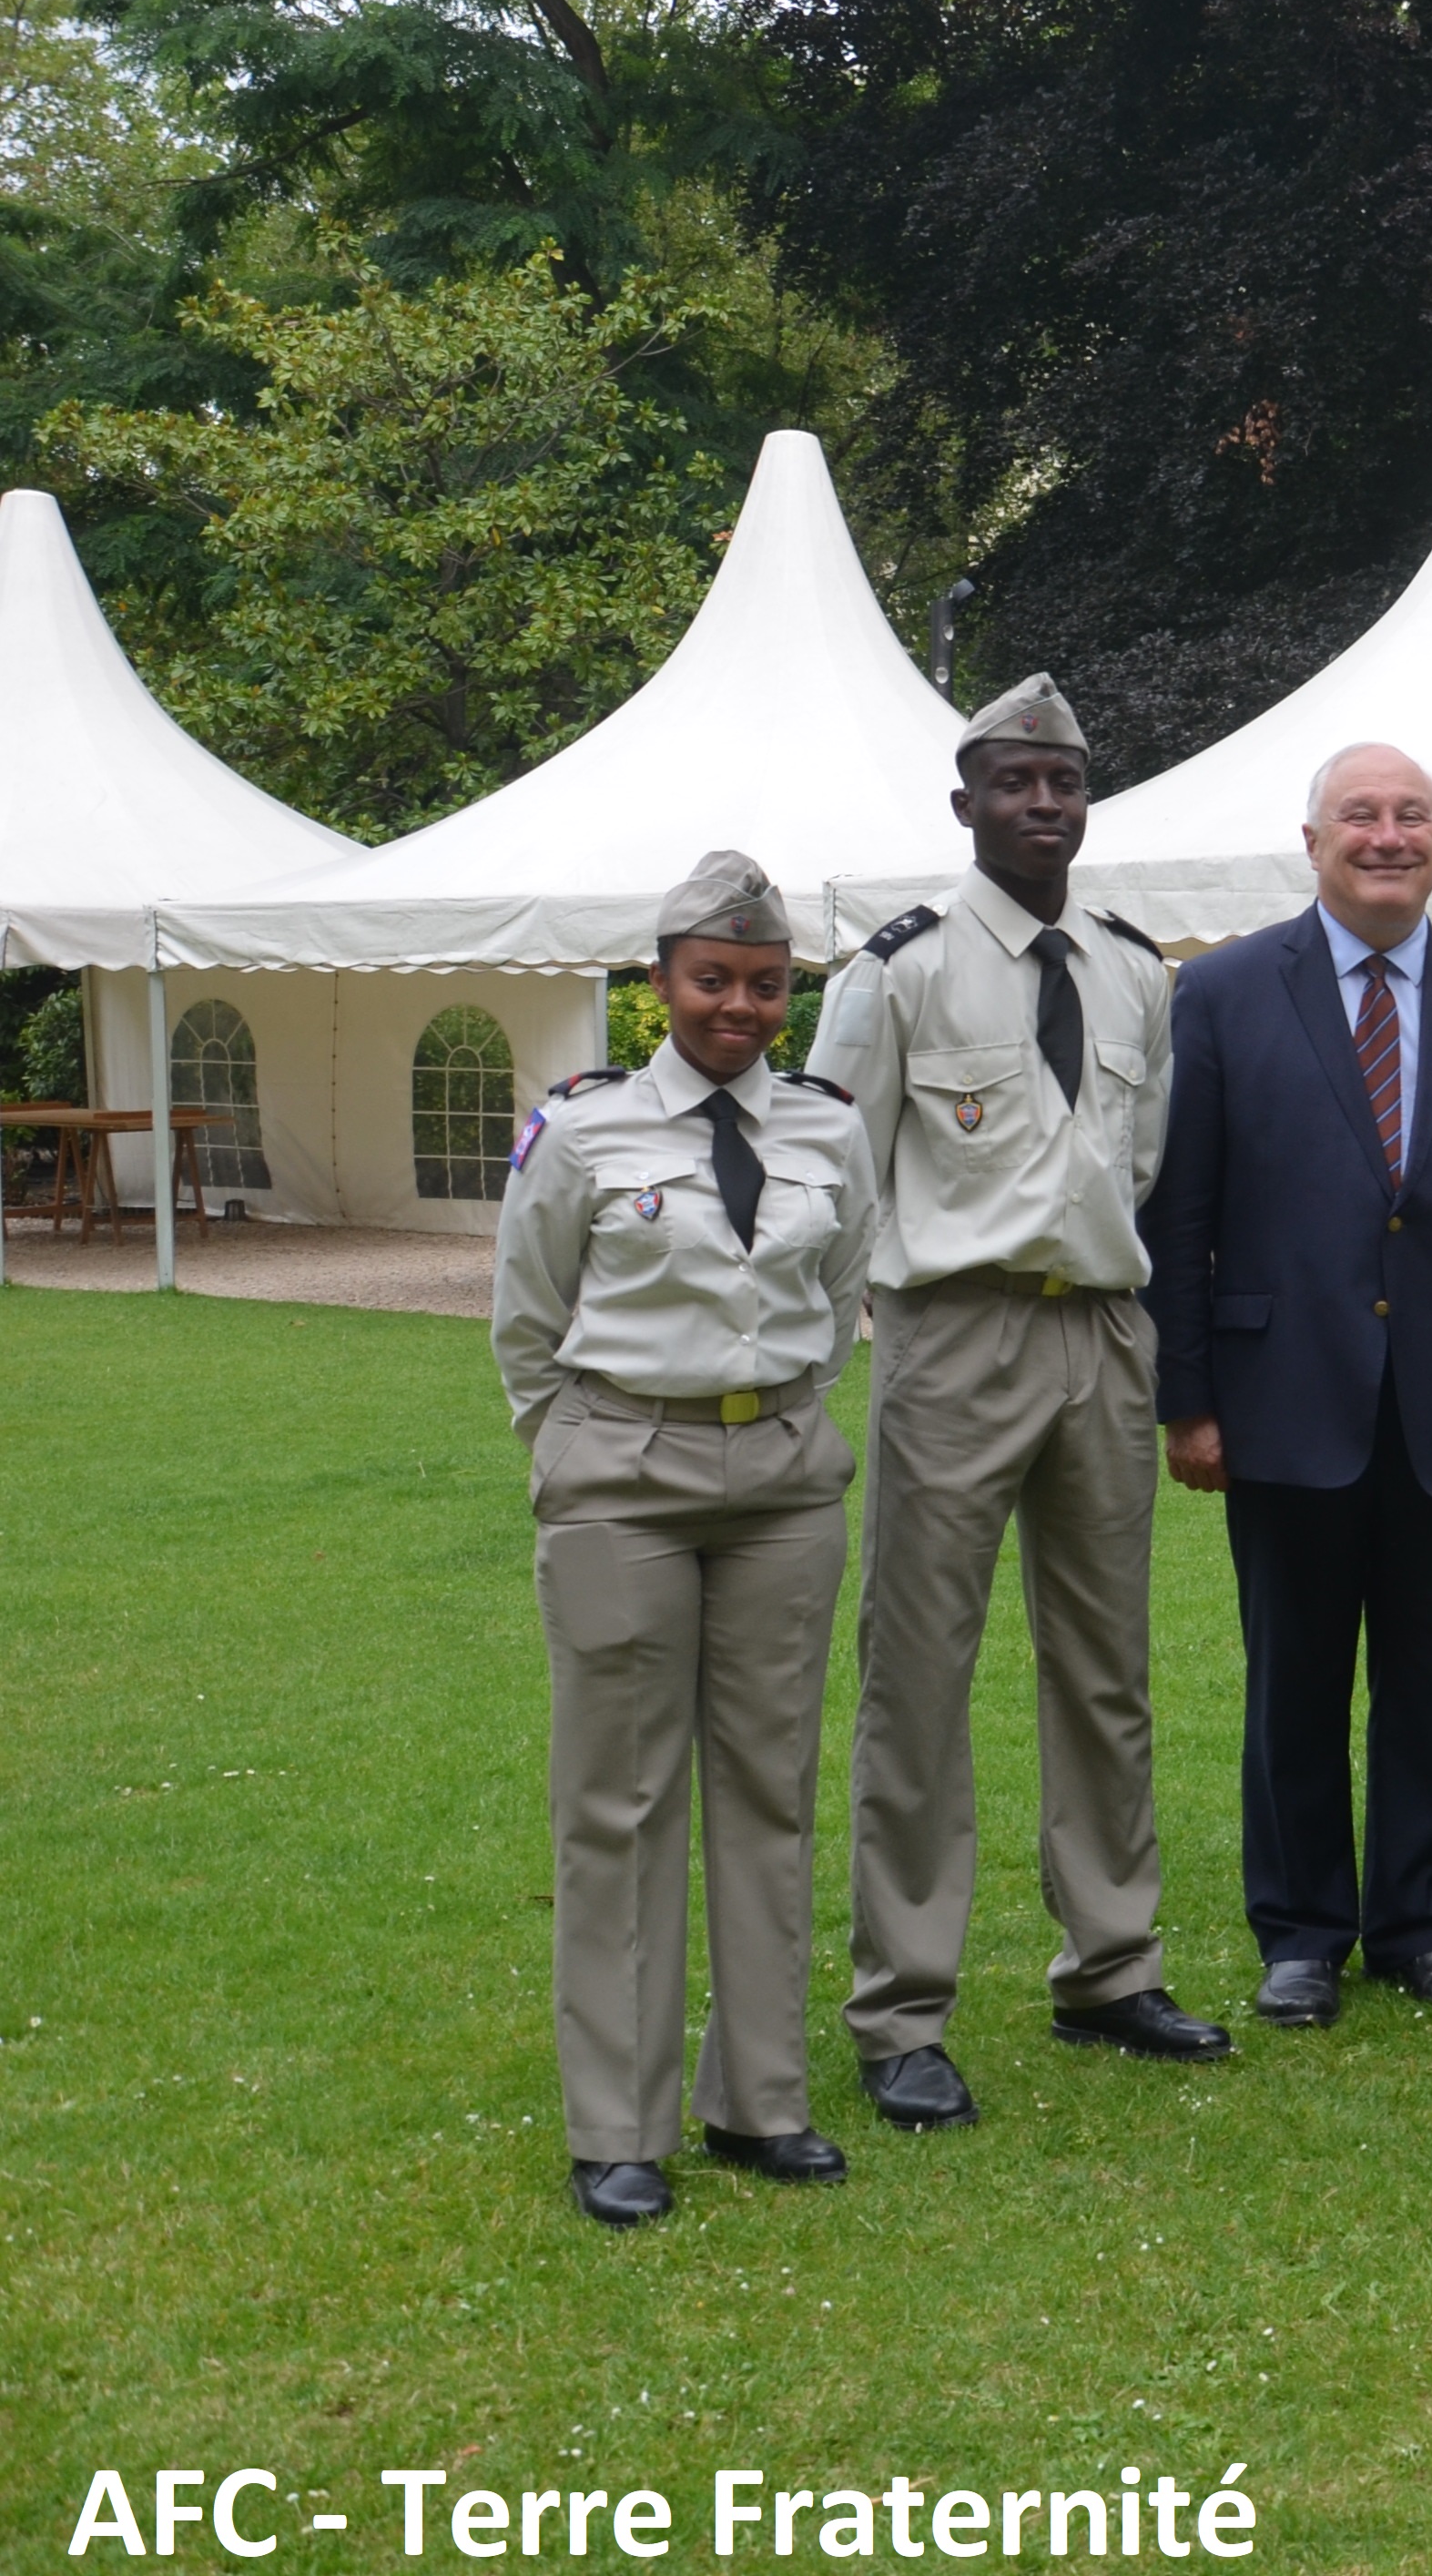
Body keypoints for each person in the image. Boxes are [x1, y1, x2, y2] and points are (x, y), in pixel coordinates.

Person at [807, 674, 1223, 2129]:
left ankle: (1111, 1965)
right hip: (956, 1342)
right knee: (920, 1673)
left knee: (1104, 1669)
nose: (1044, 802)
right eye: (1015, 781)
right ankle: (902, 2009)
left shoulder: (1131, 968)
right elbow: (830, 1173)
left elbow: (1145, 1155)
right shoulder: (898, 971)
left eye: (1065, 780)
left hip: (1102, 1336)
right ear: (965, 802)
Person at [1143, 743, 1432, 2030]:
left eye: (1413, 817)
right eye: (1362, 816)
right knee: (1292, 1679)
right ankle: (1298, 1935)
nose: (1387, 835)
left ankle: (1414, 1927)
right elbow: (1186, 1217)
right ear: (1312, 838)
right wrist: (1189, 1397)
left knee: (1429, 1678)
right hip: (1282, 1394)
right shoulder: (1222, 995)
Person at [490, 851, 877, 2226]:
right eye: (712, 979)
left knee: (771, 1786)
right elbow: (528, 1324)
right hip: (622, 1475)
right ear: (658, 985)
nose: (740, 1006)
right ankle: (619, 2125)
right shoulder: (583, 1131)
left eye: (766, 985)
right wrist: (579, 1453)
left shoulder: (828, 1128)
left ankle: (761, 2102)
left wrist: (768, 1416)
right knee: (622, 1798)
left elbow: (839, 1303)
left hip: (780, 1472)